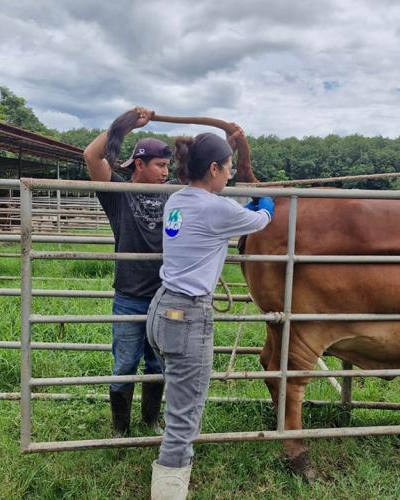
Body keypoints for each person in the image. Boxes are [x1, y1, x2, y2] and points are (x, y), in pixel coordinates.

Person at [146, 131, 275, 499]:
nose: (231, 175)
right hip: (188, 316)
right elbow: (261, 218)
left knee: (178, 397)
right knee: (184, 417)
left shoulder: (177, 199)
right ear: (214, 168)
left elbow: (221, 218)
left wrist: (246, 206)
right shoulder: (216, 208)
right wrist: (265, 197)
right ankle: (168, 490)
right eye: (229, 169)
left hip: (161, 309)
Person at [83, 107, 171, 437]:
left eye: (167, 166)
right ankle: (120, 428)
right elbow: (92, 156)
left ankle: (150, 420)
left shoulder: (173, 195)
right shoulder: (118, 193)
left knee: (158, 364)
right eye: (160, 165)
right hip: (130, 297)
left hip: (164, 297)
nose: (166, 172)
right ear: (139, 165)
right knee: (124, 364)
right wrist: (124, 124)